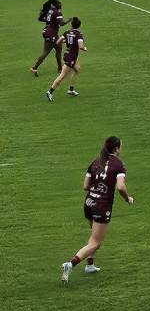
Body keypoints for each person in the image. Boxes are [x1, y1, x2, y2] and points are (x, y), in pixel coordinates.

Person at [61, 136, 134, 284]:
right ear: (116, 148)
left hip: (89, 202)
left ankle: (90, 265)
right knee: (95, 243)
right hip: (102, 206)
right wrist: (127, 198)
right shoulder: (118, 164)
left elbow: (85, 186)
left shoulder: (96, 161)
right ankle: (71, 264)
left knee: (93, 237)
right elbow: (120, 187)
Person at [45, 17, 86, 101]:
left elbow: (58, 42)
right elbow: (81, 46)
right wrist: (84, 48)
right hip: (71, 58)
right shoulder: (79, 34)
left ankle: (71, 89)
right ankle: (50, 91)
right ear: (79, 25)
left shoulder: (66, 32)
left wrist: (66, 41)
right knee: (62, 76)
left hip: (69, 55)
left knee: (77, 70)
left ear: (71, 25)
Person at [30, 0, 68, 76]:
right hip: (51, 34)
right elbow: (61, 24)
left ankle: (60, 69)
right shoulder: (57, 13)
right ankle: (34, 68)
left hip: (48, 32)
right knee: (46, 52)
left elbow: (43, 19)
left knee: (59, 49)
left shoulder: (50, 11)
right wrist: (69, 20)